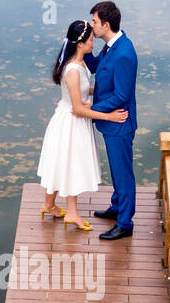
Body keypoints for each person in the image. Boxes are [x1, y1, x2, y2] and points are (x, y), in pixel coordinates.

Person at [37, 19, 129, 232]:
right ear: (80, 44)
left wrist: (103, 91)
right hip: (71, 123)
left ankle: (48, 204)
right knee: (72, 165)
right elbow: (77, 109)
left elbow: (82, 89)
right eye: (89, 41)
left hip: (75, 120)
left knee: (63, 163)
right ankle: (72, 213)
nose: (92, 44)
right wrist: (109, 116)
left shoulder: (80, 64)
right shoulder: (72, 70)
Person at [84, 0, 137, 240]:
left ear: (106, 24)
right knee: (116, 170)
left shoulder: (124, 53)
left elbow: (121, 95)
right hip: (111, 121)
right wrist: (81, 47)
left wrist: (91, 107)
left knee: (123, 172)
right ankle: (117, 206)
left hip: (119, 123)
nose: (91, 25)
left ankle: (125, 223)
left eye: (94, 22)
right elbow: (96, 67)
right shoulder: (109, 46)